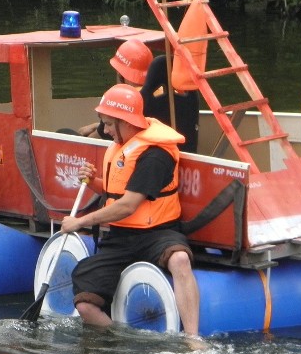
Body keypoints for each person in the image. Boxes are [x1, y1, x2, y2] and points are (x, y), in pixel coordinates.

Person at [60, 84, 201, 337]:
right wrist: (95, 183)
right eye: (103, 123)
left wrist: (79, 222)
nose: (105, 131)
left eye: (109, 124)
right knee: (84, 305)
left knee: (179, 258)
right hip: (120, 239)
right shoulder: (123, 145)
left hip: (158, 233)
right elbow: (119, 194)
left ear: (126, 121)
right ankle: (124, 341)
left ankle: (192, 337)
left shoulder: (155, 154)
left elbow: (128, 205)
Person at [77, 38, 153, 138]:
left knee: (64, 131)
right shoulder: (164, 94)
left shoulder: (123, 100)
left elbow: (94, 140)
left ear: (120, 73)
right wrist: (97, 125)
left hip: (112, 149)